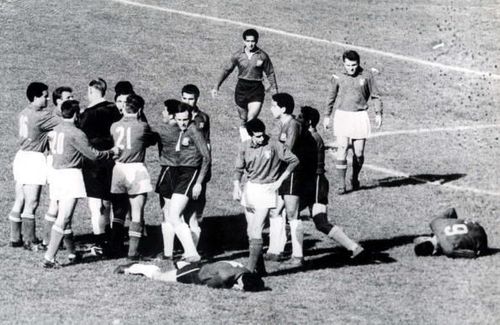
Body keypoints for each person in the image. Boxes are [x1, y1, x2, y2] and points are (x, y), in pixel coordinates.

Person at [42, 100, 119, 268]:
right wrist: (111, 152)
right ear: (76, 115)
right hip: (70, 176)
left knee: (64, 216)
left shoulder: (54, 131)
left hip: (56, 175)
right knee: (64, 217)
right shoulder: (76, 133)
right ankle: (49, 258)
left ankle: (71, 253)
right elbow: (93, 155)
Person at [233, 118, 299, 274]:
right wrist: (236, 186)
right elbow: (238, 169)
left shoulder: (274, 144)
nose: (261, 138)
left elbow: (294, 160)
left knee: (257, 228)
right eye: (257, 136)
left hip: (267, 189)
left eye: (262, 135)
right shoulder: (244, 147)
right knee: (251, 231)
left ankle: (249, 269)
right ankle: (260, 268)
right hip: (250, 189)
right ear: (250, 136)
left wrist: (280, 181)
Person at [300, 106, 364, 258]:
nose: (297, 120)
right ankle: (353, 247)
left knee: (285, 214)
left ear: (308, 122)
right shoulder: (310, 136)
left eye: (300, 117)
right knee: (320, 222)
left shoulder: (311, 139)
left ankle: (287, 252)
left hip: (313, 183)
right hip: (316, 184)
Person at [322, 50, 383, 194]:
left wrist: (378, 113)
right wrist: (327, 115)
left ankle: (354, 178)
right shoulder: (337, 76)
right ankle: (341, 185)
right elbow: (331, 96)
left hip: (360, 116)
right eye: (348, 65)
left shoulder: (367, 76)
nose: (351, 68)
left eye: (354, 65)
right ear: (344, 63)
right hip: (342, 116)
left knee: (359, 153)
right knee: (342, 148)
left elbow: (376, 96)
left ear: (358, 64)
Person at [157, 103, 211, 262]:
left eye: (185, 119)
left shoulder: (194, 130)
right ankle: (187, 253)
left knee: (174, 214)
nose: (182, 123)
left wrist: (199, 182)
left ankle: (192, 253)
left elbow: (206, 157)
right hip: (179, 172)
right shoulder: (180, 130)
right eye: (179, 119)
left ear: (190, 118)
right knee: (172, 214)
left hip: (190, 173)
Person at [9, 82, 60, 250]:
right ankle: (30, 241)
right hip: (34, 159)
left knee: (20, 200)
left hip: (21, 156)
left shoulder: (24, 112)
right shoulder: (41, 116)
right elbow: (64, 121)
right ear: (35, 97)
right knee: (32, 202)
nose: (47, 99)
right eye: (44, 96)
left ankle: (15, 237)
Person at [109, 94, 158, 259]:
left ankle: (114, 248)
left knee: (118, 212)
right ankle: (133, 252)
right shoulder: (142, 126)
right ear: (140, 110)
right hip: (136, 169)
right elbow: (151, 140)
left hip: (118, 169)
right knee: (136, 212)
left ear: (124, 108)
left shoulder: (114, 126)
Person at [78, 78, 122, 255]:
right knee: (111, 200)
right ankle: (114, 240)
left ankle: (99, 242)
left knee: (96, 204)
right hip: (114, 161)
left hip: (93, 164)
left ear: (92, 92)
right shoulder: (114, 110)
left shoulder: (87, 114)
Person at [211, 28, 278, 141]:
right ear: (244, 41)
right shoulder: (237, 55)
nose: (250, 44)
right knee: (243, 119)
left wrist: (275, 93)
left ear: (256, 41)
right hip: (241, 88)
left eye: (253, 41)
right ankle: (245, 140)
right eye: (248, 41)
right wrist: (216, 86)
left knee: (251, 118)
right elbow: (227, 70)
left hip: (256, 89)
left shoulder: (263, 56)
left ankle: (251, 144)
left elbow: (270, 73)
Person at [266, 93, 306, 267]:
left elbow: (287, 152)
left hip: (292, 174)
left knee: (292, 213)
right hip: (280, 173)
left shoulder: (293, 126)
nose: (270, 108)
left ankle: (298, 255)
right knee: (275, 211)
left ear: (283, 108)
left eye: (273, 105)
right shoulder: (279, 123)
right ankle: (275, 250)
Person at [42, 86, 74, 249]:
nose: (72, 100)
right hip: (57, 163)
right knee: (56, 204)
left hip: (59, 162)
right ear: (59, 101)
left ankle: (50, 240)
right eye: (68, 98)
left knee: (58, 204)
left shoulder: (62, 115)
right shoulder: (55, 118)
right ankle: (49, 241)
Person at [180, 84, 210, 250]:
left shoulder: (201, 119)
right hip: (181, 169)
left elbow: (205, 149)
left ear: (197, 99)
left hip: (197, 169)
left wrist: (202, 177)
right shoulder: (177, 115)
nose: (187, 102)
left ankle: (194, 248)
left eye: (191, 99)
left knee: (194, 211)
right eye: (184, 98)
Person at [114, 260, 265, 291]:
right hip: (193, 274)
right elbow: (209, 284)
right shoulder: (226, 276)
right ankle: (133, 267)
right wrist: (231, 288)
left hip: (204, 266)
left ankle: (181, 263)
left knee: (185, 266)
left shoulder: (245, 270)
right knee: (158, 276)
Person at [414, 208, 488, 258]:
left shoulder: (448, 249)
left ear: (434, 252)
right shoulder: (434, 223)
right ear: (426, 238)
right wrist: (453, 223)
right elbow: (451, 210)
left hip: (482, 240)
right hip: (474, 224)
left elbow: (472, 254)